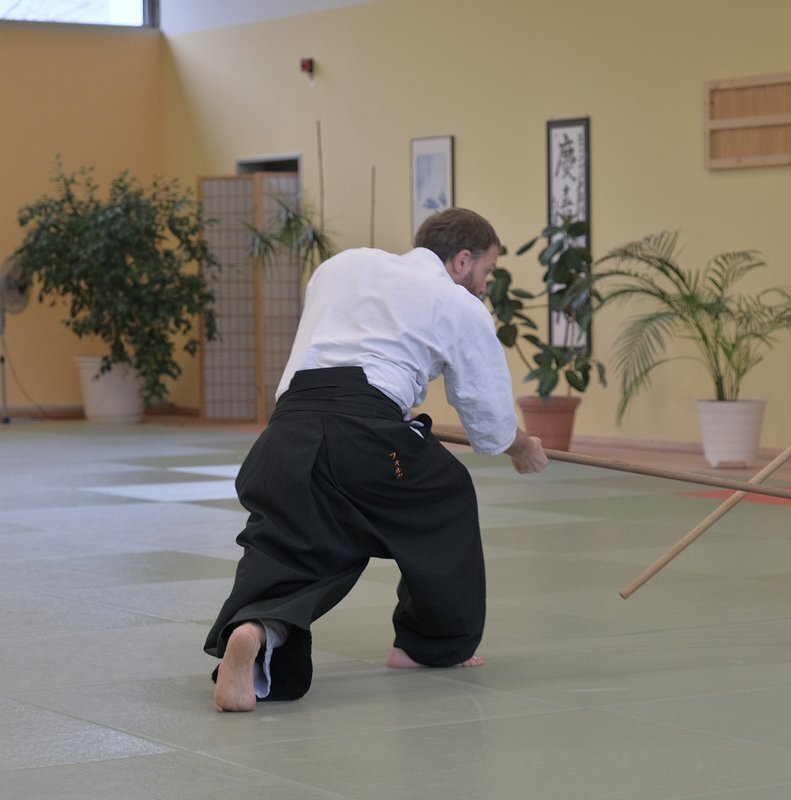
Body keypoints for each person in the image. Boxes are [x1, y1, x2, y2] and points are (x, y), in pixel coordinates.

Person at [204, 208, 549, 712]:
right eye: (487, 272)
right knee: (445, 497)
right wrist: (523, 448)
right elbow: (489, 425)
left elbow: (338, 347)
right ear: (462, 260)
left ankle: (254, 634)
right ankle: (426, 646)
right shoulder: (460, 304)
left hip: (288, 432)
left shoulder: (343, 266)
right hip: (365, 433)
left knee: (297, 544)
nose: (485, 284)